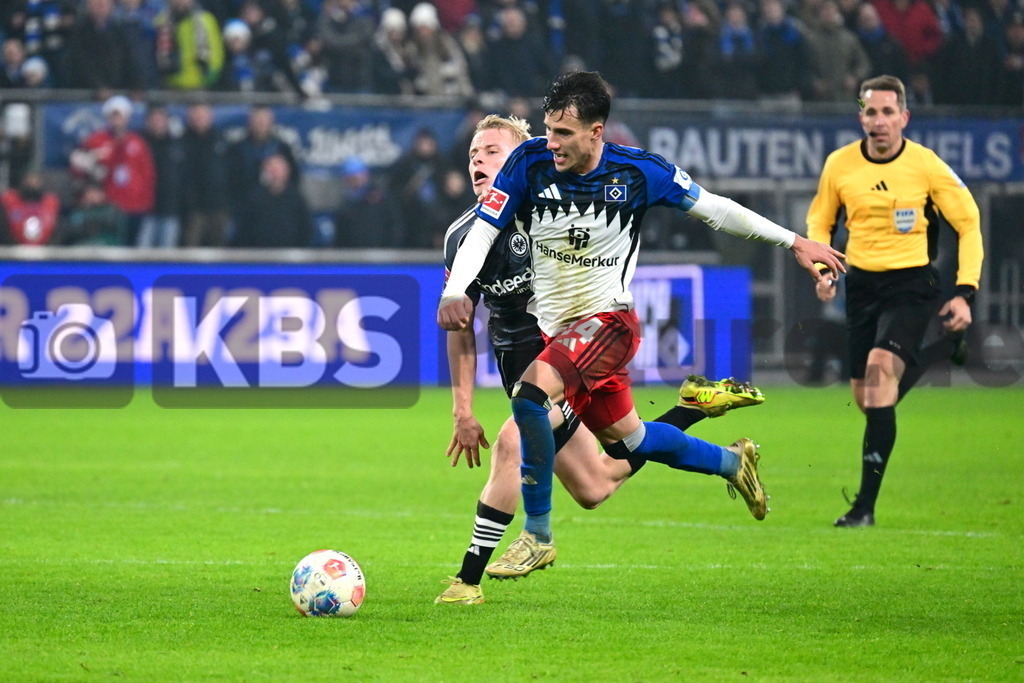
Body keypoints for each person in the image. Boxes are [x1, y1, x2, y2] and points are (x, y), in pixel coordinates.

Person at [438, 71, 846, 592]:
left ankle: (536, 535)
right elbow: (483, 231)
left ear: (596, 131)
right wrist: (455, 293)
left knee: (530, 396)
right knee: (624, 448)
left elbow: (717, 210)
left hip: (608, 323)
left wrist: (794, 242)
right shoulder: (529, 163)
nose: (553, 143)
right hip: (560, 334)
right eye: (548, 130)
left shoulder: (639, 173)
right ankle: (729, 460)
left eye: (564, 133)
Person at [805, 74, 983, 527]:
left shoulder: (926, 165)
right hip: (862, 288)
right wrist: (824, 271)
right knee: (868, 401)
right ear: (859, 116)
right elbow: (820, 224)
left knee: (881, 379)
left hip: (912, 285)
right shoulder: (840, 165)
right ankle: (946, 348)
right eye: (870, 111)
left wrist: (965, 292)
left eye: (888, 112)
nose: (879, 121)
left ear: (904, 116)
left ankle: (864, 508)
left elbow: (969, 223)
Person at [69, 95, 155, 246]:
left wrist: (146, 202)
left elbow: (147, 174)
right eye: (113, 116)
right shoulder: (96, 140)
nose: (117, 120)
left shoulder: (137, 143)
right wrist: (88, 190)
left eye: (120, 116)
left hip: (135, 207)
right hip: (107, 208)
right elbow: (78, 168)